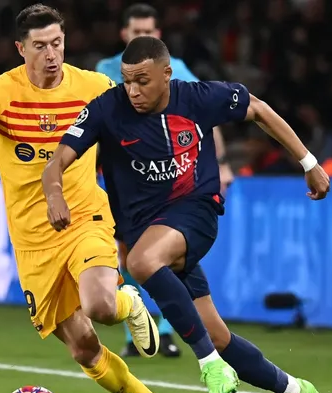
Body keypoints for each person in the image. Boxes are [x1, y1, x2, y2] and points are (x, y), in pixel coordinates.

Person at [44, 36, 328, 393]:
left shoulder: (198, 98)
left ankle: (209, 364)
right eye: (127, 81)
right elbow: (56, 162)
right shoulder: (107, 108)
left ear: (166, 74)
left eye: (142, 81)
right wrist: (54, 194)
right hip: (149, 232)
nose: (133, 91)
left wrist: (309, 163)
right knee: (216, 333)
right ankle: (295, 391)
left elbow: (258, 109)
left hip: (195, 213)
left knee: (140, 262)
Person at [0, 5, 175, 393]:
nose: (51, 54)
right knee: (84, 349)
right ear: (21, 48)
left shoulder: (94, 86)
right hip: (32, 241)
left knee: (100, 305)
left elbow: (141, 126)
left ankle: (127, 303)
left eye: (57, 43)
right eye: (40, 46)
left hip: (84, 218)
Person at [96, 2, 233, 359]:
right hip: (123, 182)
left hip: (167, 182)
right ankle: (136, 330)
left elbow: (205, 114)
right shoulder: (104, 71)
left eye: (148, 31)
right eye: (136, 31)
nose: (141, 36)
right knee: (128, 255)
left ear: (157, 34)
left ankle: (170, 331)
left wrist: (222, 163)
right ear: (124, 34)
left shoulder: (178, 69)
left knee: (164, 257)